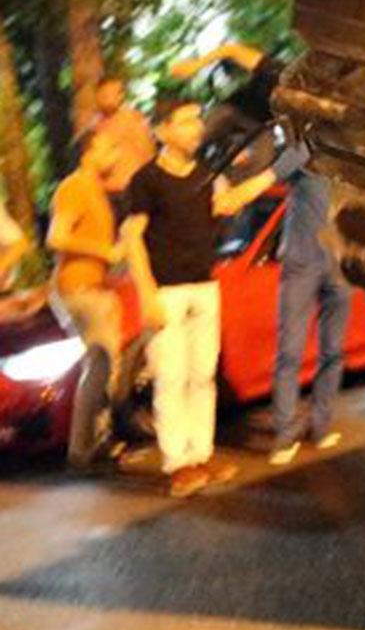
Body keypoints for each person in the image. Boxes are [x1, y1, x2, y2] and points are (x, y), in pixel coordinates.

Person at [123, 99, 275, 496]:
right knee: (171, 378)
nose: (196, 129)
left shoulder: (206, 175)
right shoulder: (146, 181)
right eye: (186, 122)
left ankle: (202, 454)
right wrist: (147, 295)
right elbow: (132, 239)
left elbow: (229, 202)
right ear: (162, 131)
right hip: (167, 292)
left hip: (205, 286)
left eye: (197, 121)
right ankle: (178, 462)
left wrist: (280, 169)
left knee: (203, 375)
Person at [263, 136, 350, 466]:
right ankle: (285, 433)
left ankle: (321, 425)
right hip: (301, 263)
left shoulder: (348, 157)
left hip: (339, 263)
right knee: (290, 351)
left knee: (334, 350)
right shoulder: (303, 149)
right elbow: (272, 173)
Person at [44, 127, 126, 470]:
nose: (117, 155)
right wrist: (104, 250)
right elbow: (57, 238)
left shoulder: (96, 189)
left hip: (92, 287)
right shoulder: (75, 187)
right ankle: (84, 447)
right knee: (101, 364)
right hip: (79, 290)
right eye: (110, 147)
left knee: (103, 364)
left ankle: (95, 441)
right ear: (89, 152)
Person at [89, 75, 156, 193]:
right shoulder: (97, 125)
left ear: (121, 96)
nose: (106, 99)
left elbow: (148, 153)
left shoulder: (133, 119)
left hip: (132, 186)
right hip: (107, 189)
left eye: (110, 94)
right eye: (102, 95)